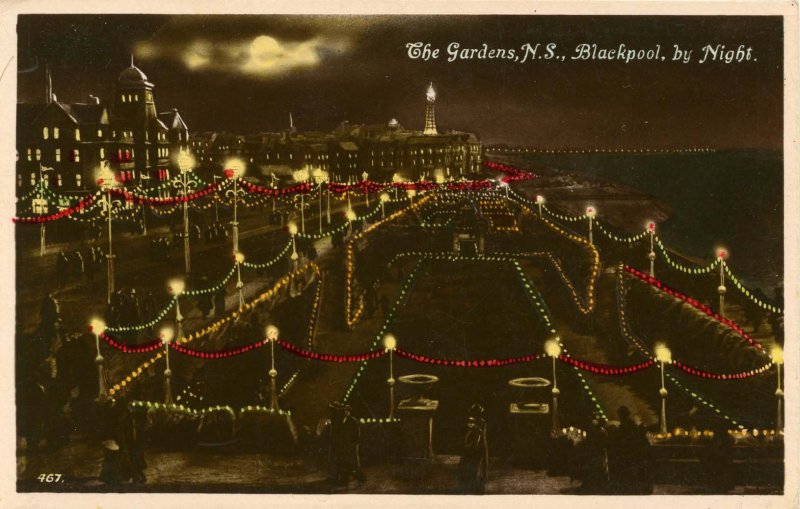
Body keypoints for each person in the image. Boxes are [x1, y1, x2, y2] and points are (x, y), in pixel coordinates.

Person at [609, 406, 653, 494]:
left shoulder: (625, 426)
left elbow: (620, 438)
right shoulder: (631, 425)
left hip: (627, 453)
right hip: (632, 452)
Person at [327, 402, 365, 487]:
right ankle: (344, 480)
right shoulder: (341, 420)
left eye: (347, 411)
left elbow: (357, 434)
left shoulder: (353, 421)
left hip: (352, 445)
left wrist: (354, 444)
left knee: (354, 462)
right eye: (344, 411)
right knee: (345, 462)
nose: (345, 412)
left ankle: (361, 478)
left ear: (349, 412)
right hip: (344, 445)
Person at [458, 403, 489, 493]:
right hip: (475, 446)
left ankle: (477, 480)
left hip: (478, 445)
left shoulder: (481, 423)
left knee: (477, 462)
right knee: (472, 461)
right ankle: (471, 480)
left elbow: (479, 434)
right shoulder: (475, 422)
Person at [577, 413, 609, 493]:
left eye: (595, 420)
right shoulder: (598, 430)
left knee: (596, 467)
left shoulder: (599, 430)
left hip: (597, 452)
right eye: (593, 420)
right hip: (595, 452)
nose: (594, 421)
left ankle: (594, 484)